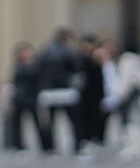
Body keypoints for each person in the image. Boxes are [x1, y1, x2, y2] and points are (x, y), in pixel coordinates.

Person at [36, 27, 82, 155]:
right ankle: (77, 145)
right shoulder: (68, 51)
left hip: (49, 91)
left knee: (50, 122)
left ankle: (49, 148)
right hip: (65, 91)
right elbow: (76, 69)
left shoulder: (45, 51)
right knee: (74, 120)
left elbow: (38, 70)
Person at [115, 37, 140, 161]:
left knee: (126, 119)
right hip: (138, 89)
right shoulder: (138, 58)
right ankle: (137, 144)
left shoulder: (126, 59)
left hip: (129, 91)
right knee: (131, 118)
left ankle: (131, 145)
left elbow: (125, 78)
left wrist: (121, 94)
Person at [5, 41, 42, 154]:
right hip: (20, 98)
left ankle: (44, 145)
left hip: (32, 97)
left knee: (39, 122)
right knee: (17, 123)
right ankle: (18, 145)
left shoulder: (35, 65)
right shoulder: (18, 66)